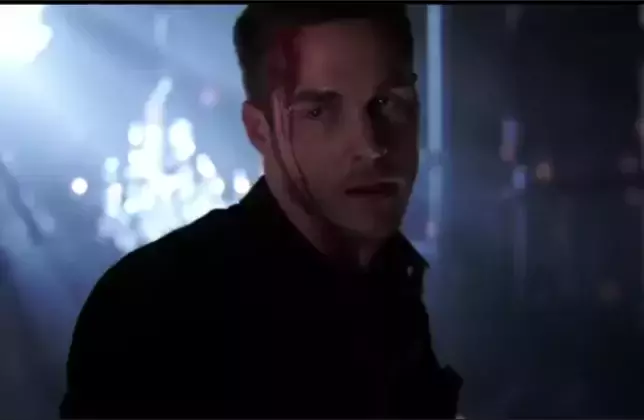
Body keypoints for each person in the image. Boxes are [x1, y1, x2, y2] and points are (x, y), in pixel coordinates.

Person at [60, 4, 462, 418]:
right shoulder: (155, 310)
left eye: (387, 102)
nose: (370, 145)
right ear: (260, 130)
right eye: (319, 112)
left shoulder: (398, 289)